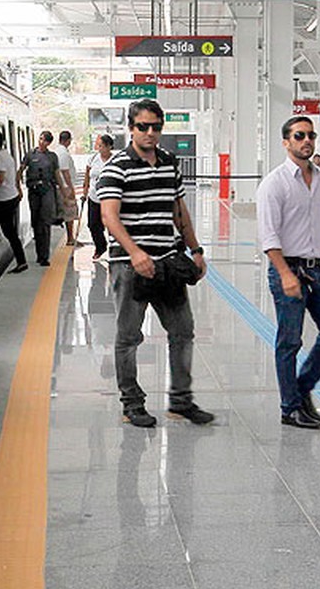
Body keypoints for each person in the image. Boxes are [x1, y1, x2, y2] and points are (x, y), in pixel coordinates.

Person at [98, 100, 214, 428]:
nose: (151, 133)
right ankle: (132, 403)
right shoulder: (117, 166)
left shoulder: (169, 162)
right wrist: (135, 253)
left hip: (168, 262)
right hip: (129, 266)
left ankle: (180, 401)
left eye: (156, 127)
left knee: (183, 330)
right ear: (131, 129)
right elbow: (109, 215)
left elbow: (179, 210)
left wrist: (196, 249)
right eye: (143, 127)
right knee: (128, 335)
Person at [256, 115, 320, 429]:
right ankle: (290, 407)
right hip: (288, 268)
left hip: (319, 268)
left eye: (310, 135)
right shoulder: (274, 183)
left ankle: (302, 387)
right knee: (289, 341)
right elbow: (269, 237)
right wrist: (284, 273)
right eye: (299, 136)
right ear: (286, 142)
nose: (306, 140)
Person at [0, 128, 27, 273]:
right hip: (8, 197)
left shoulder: (0, 158)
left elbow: (0, 179)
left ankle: (21, 261)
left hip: (3, 200)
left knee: (8, 232)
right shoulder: (6, 155)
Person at [18, 130, 60, 266]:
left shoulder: (52, 157)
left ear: (49, 143)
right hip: (33, 190)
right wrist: (17, 187)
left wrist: (64, 189)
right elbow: (21, 170)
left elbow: (57, 174)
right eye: (41, 139)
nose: (42, 142)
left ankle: (45, 256)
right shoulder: (30, 154)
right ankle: (39, 253)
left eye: (45, 140)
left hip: (47, 189)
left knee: (45, 222)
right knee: (35, 221)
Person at [82, 133, 114, 261]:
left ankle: (115, 250)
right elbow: (87, 176)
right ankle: (100, 247)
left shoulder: (115, 160)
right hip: (94, 197)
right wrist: (85, 192)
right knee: (92, 224)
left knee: (112, 226)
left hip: (110, 199)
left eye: (102, 146)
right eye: (99, 146)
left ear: (109, 147)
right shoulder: (93, 158)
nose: (99, 148)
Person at [51, 130, 79, 245]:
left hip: (62, 187)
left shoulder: (58, 152)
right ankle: (70, 239)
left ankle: (71, 237)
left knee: (69, 214)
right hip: (65, 188)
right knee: (70, 213)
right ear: (68, 141)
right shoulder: (62, 153)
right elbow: (64, 172)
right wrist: (71, 189)